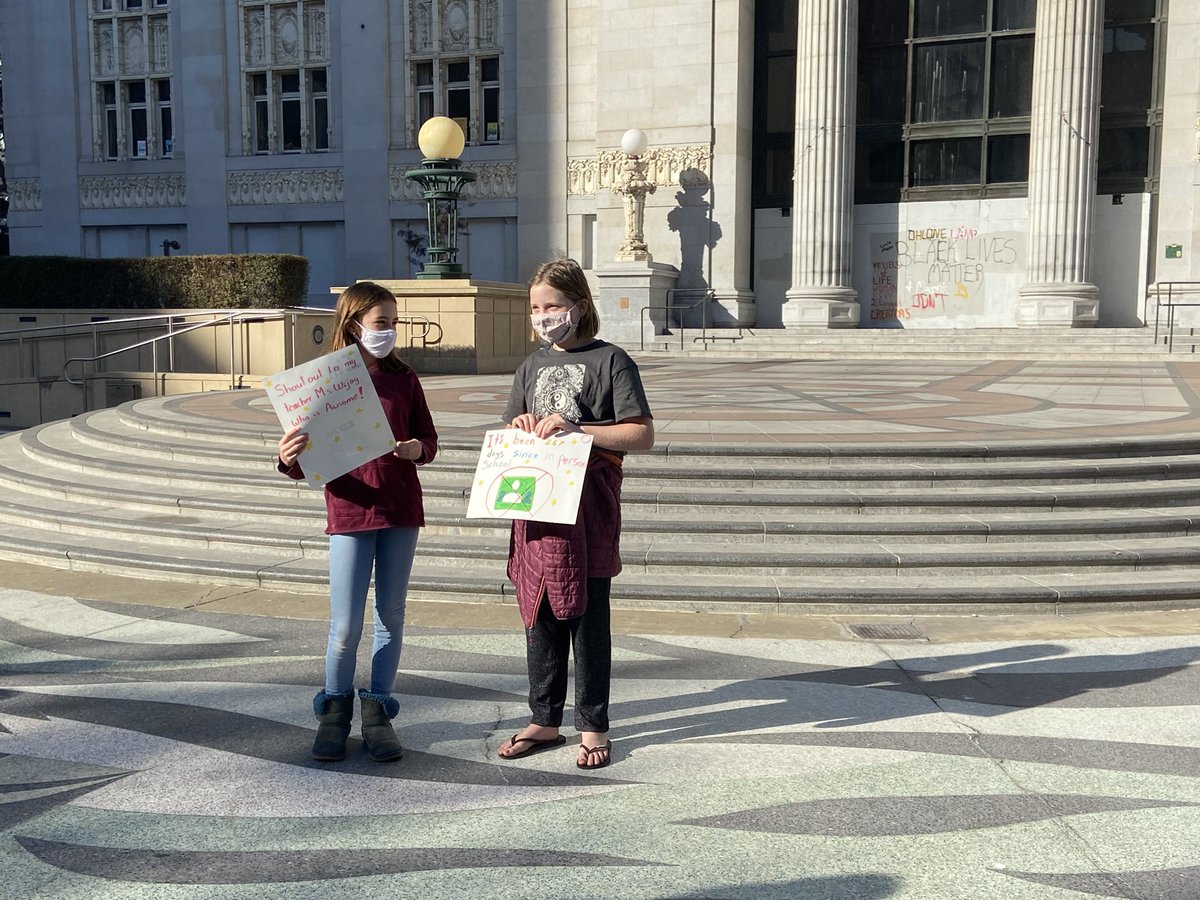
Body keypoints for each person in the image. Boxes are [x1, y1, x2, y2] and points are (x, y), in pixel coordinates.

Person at [496, 259, 654, 770]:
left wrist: (577, 429)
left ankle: (593, 725)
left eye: (553, 306)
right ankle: (544, 718)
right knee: (538, 612)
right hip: (536, 509)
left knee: (588, 618)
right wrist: (522, 426)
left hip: (589, 509)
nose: (543, 316)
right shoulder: (529, 367)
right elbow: (509, 437)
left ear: (579, 306)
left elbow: (640, 434)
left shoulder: (612, 361)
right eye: (536, 308)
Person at [276, 281, 438, 763]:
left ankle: (378, 715)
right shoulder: (323, 384)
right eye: (380, 322)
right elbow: (305, 456)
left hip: (400, 508)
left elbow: (428, 438)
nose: (390, 330)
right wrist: (287, 457)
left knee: (390, 617)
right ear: (353, 325)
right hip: (349, 509)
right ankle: (334, 714)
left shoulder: (404, 378)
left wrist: (417, 449)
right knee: (345, 626)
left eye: (394, 321)